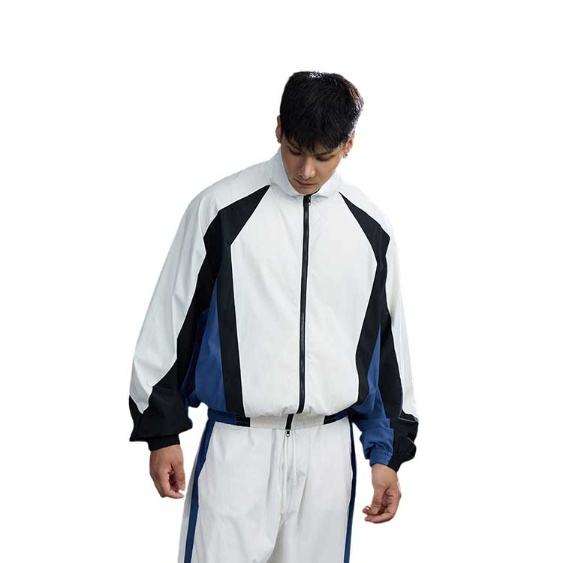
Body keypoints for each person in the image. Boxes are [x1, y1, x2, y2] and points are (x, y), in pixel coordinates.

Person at [128, 70, 418, 563]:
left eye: (323, 156)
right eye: (296, 149)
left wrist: (386, 453)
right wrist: (162, 432)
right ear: (278, 128)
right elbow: (171, 320)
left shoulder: (370, 229)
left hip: (327, 454)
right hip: (238, 447)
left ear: (348, 145)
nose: (306, 170)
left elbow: (386, 348)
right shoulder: (221, 210)